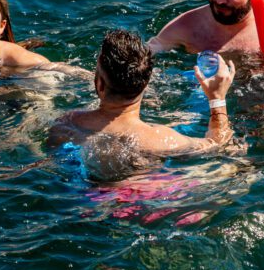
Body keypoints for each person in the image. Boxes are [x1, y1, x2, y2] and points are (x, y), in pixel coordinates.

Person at [49, 30, 242, 173]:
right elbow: (219, 145)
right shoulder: (164, 140)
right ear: (145, 84)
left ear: (99, 84)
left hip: (86, 199)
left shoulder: (66, 124)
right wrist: (217, 99)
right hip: (149, 199)